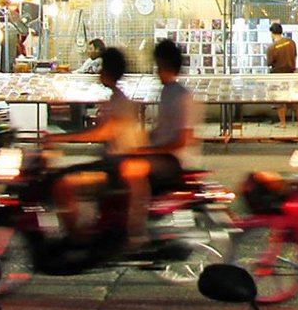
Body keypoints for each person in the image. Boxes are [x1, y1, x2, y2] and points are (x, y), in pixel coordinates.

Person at [48, 47, 150, 247]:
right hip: (113, 163)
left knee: (62, 184)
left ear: (108, 71)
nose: (98, 73)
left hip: (117, 167)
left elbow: (105, 133)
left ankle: (78, 238)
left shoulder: (120, 101)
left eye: (102, 68)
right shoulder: (116, 98)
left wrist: (63, 138)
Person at [143, 38, 198, 192]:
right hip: (163, 154)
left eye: (158, 65)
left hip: (174, 159)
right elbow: (163, 129)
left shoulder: (182, 95)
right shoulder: (167, 91)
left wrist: (151, 150)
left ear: (164, 65)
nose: (156, 70)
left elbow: (183, 139)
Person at [268, 23, 298, 127]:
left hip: (277, 75)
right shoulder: (291, 43)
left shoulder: (272, 47)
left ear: (272, 33)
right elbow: (295, 55)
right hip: (290, 74)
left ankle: (283, 123)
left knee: (279, 99)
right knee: (293, 98)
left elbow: (269, 63)